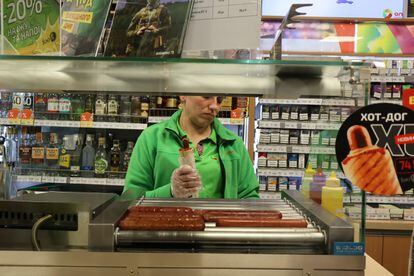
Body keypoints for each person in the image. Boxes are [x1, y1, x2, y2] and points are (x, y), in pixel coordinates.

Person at [122, 96, 259, 199]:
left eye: (219, 99)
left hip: (216, 234)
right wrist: (170, 192)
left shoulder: (234, 143)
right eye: (206, 96)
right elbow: (130, 199)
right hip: (165, 234)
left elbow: (249, 198)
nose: (214, 106)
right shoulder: (152, 138)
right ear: (183, 95)